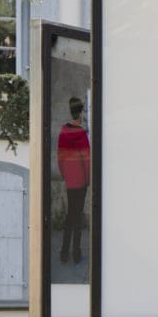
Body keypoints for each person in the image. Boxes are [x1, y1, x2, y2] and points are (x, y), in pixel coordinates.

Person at [57, 96, 91, 264]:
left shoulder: (63, 133)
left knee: (70, 215)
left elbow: (60, 159)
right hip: (81, 181)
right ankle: (76, 254)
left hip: (70, 181)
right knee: (77, 216)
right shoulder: (82, 135)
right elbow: (87, 160)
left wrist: (66, 176)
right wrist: (87, 180)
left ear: (71, 112)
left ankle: (64, 252)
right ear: (80, 113)